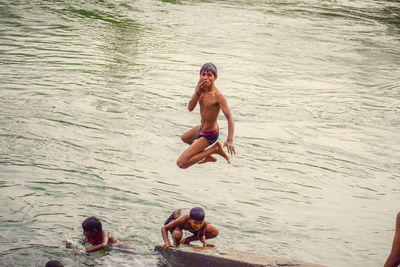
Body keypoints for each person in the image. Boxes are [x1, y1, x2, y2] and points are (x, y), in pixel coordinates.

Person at [177, 63, 235, 169]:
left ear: (215, 77)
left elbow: (230, 118)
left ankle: (215, 149)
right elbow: (190, 108)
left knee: (181, 163)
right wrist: (199, 91)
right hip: (201, 128)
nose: (205, 78)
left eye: (209, 75)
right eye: (203, 74)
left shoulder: (218, 96)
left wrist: (229, 140)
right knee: (184, 138)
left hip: (210, 134)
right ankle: (208, 155)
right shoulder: (200, 87)